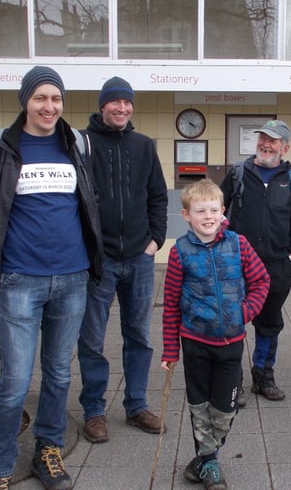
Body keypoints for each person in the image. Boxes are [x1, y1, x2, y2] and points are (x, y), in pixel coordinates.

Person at [0, 66, 103, 490]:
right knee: (14, 383)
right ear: (25, 100)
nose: (49, 106)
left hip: (72, 278)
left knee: (59, 375)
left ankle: (48, 451)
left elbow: (87, 205)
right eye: (41, 98)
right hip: (20, 280)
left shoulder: (76, 144)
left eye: (56, 99)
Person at [161, 179, 269, 490]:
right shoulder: (180, 252)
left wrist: (244, 312)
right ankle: (209, 463)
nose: (207, 217)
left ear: (223, 212)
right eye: (199, 211)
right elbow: (170, 305)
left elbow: (261, 281)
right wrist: (170, 351)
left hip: (230, 344)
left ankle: (206, 457)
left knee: (224, 408)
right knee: (199, 405)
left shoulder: (238, 244)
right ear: (186, 215)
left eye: (213, 210)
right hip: (195, 342)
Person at [76, 75, 168, 442]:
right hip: (100, 261)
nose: (122, 108)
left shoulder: (144, 146)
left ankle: (136, 405)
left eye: (127, 102)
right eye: (115, 102)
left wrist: (155, 240)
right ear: (103, 106)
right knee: (92, 339)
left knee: (139, 336)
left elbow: (158, 197)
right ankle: (94, 411)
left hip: (139, 258)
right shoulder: (82, 145)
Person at [219, 119, 291, 404]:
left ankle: (264, 377)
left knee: (269, 324)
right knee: (234, 324)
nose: (266, 144)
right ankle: (233, 382)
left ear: (285, 147)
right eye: (263, 138)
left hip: (276, 267)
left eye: (273, 140)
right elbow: (217, 213)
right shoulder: (238, 175)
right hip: (238, 265)